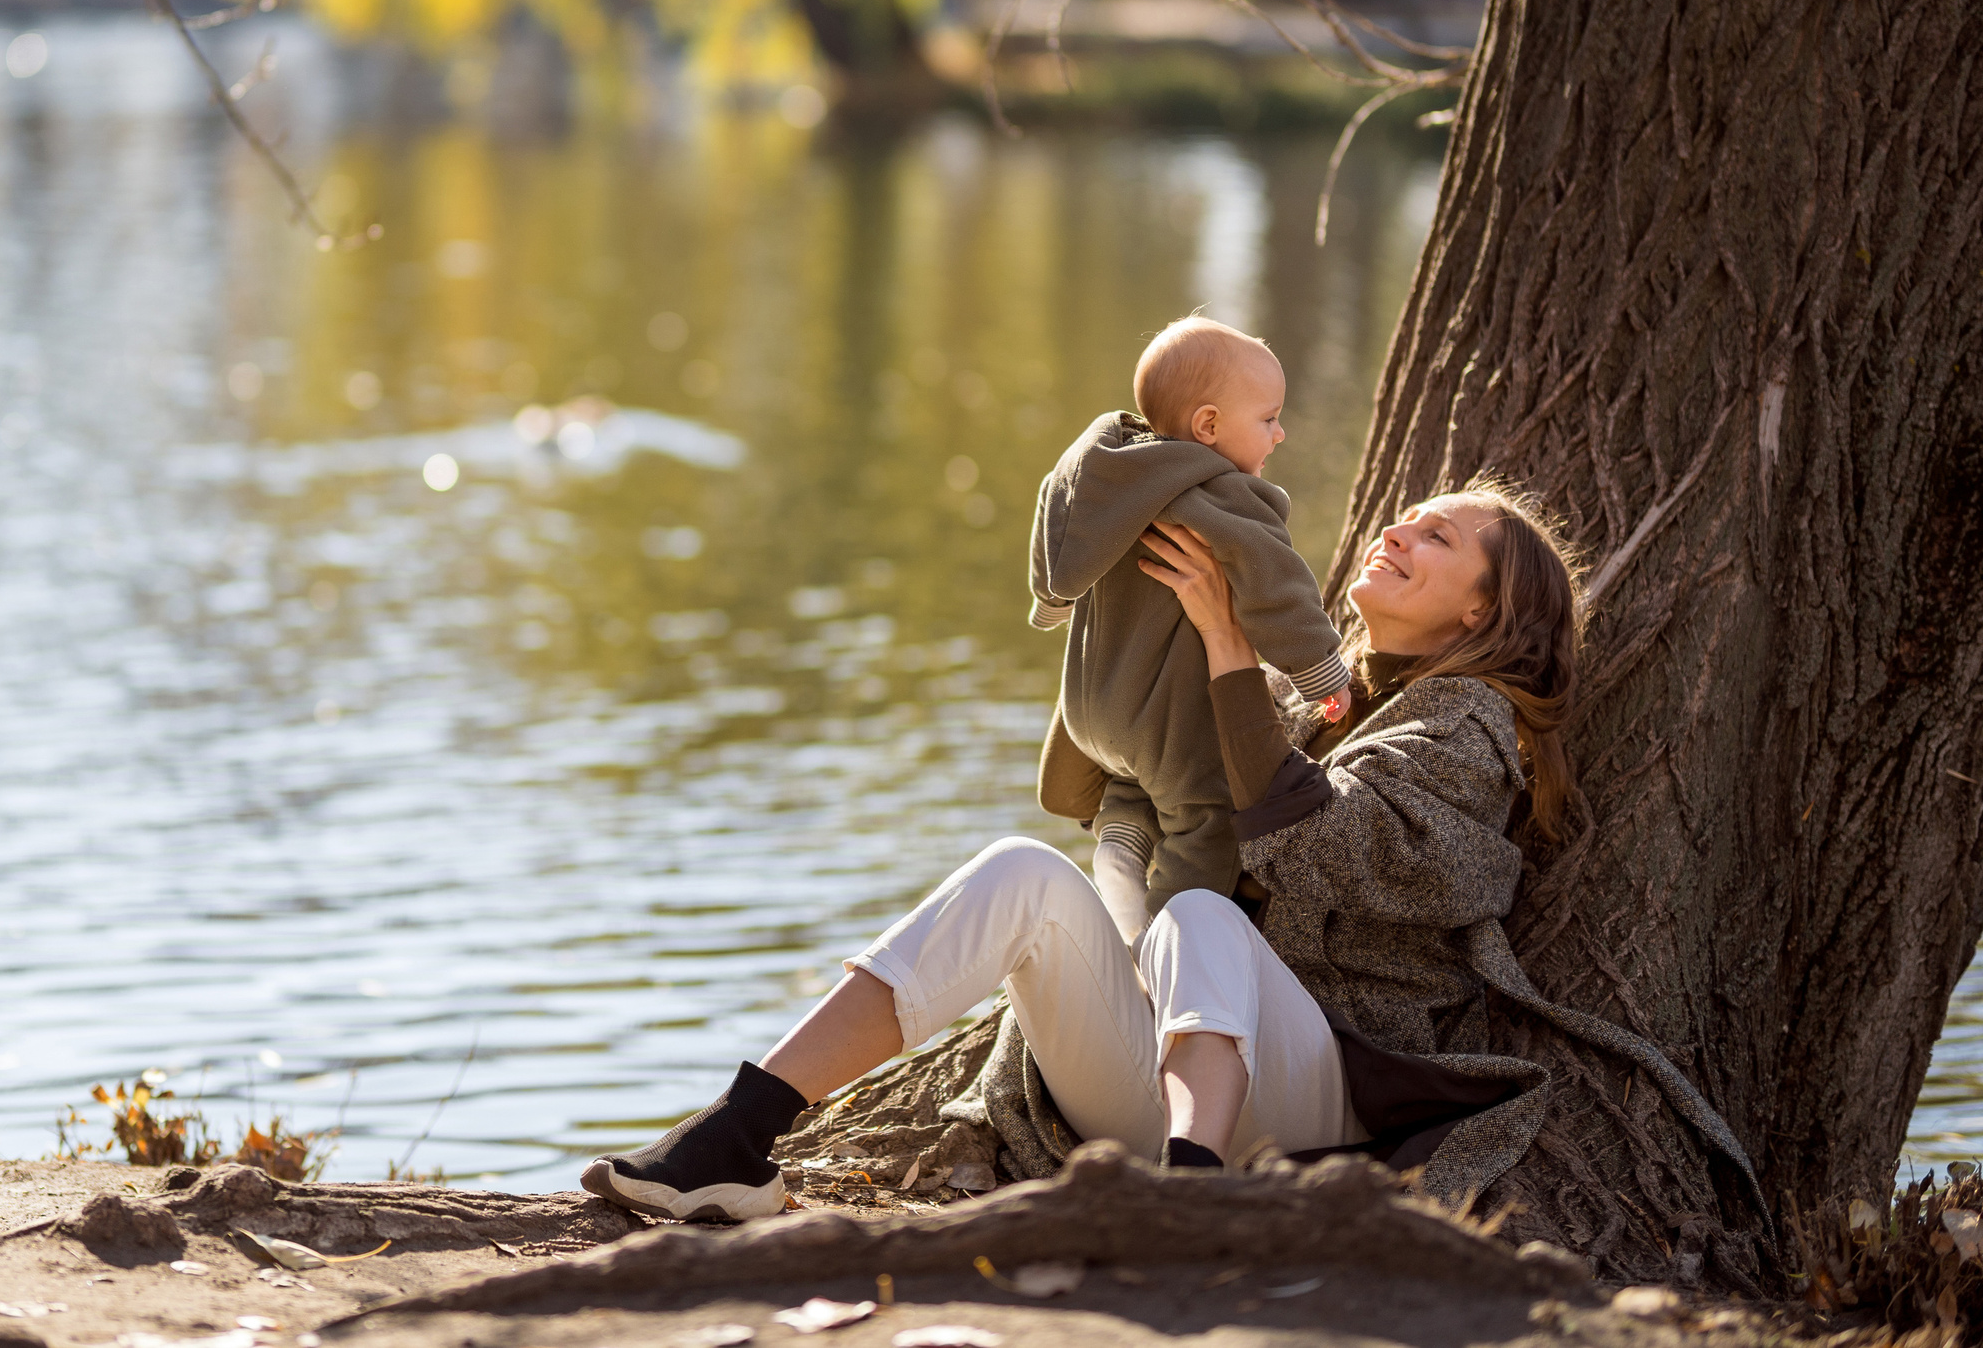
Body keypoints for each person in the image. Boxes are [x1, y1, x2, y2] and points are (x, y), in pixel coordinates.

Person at [580, 479, 1760, 1227]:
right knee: (1018, 874)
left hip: (1308, 1099)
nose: (1397, 527)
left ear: (1479, 614)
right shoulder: (1323, 707)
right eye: (1407, 515)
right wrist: (1131, 641)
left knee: (1204, 919)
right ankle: (736, 1135)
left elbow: (1325, 845)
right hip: (1156, 1085)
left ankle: (1190, 1206)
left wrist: (1226, 648)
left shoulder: (1470, 726)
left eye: (1439, 535)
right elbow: (1132, 798)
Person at [1030, 315, 1351, 930]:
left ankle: (1121, 838)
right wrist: (1319, 670)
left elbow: (1054, 510)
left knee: (1141, 780)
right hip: (1159, 714)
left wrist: (1051, 600)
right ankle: (1155, 939)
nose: (1280, 433)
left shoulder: (1100, 476)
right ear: (1208, 426)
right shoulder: (1219, 493)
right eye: (1268, 419)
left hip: (1087, 710)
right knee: (1206, 812)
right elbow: (1276, 581)